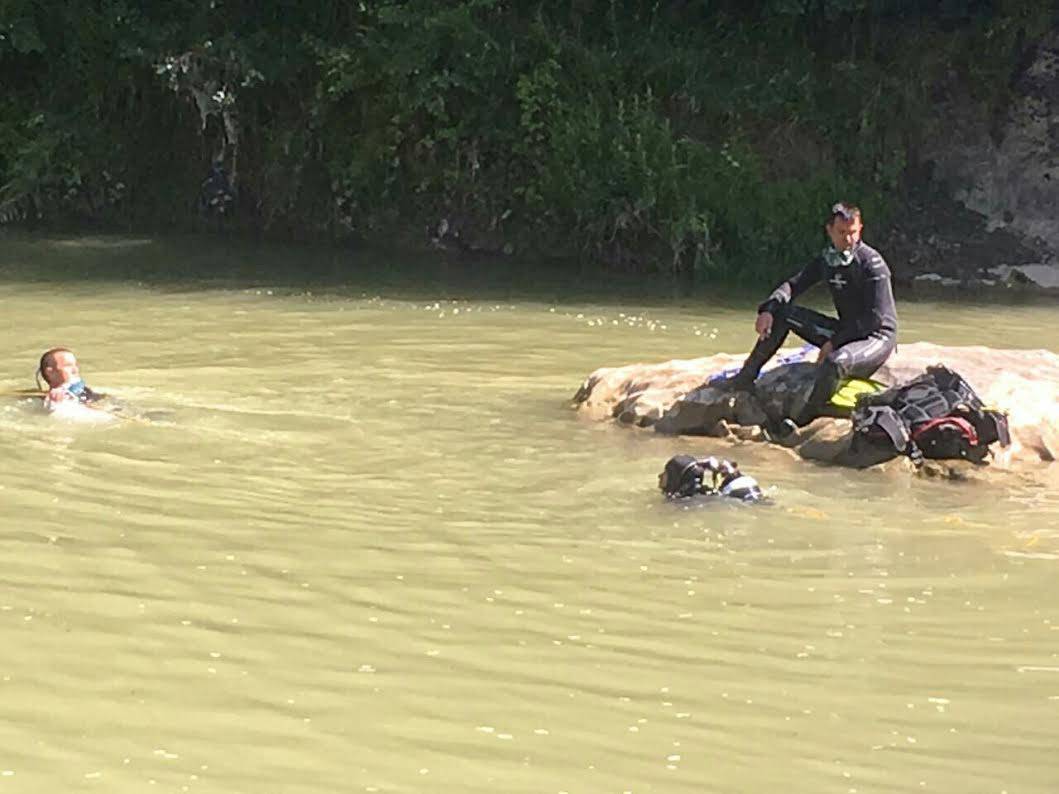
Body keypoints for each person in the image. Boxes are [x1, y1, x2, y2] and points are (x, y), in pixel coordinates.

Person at [723, 202, 897, 437]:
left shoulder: (872, 264)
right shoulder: (827, 260)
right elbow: (793, 285)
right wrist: (768, 309)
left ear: (861, 229)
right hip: (845, 331)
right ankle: (746, 377)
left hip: (875, 337)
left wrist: (835, 342)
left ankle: (804, 419)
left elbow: (874, 319)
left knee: (835, 363)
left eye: (853, 232)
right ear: (829, 230)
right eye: (842, 233)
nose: (848, 240)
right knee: (784, 313)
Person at [658, 455, 764, 502]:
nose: (660, 476)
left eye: (666, 472)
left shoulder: (682, 501)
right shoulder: (707, 493)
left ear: (675, 478)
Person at [36, 348, 103, 410]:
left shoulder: (87, 393)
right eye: (68, 365)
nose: (75, 370)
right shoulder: (37, 398)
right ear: (50, 372)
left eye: (75, 365)